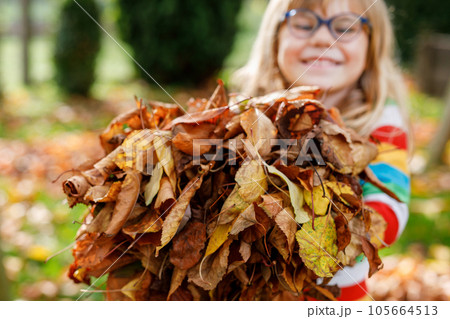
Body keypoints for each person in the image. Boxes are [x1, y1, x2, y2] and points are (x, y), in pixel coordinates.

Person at [232, 0, 410, 301]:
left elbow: (392, 208)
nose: (324, 39)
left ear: (372, 47)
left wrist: (328, 241)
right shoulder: (249, 113)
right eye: (303, 23)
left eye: (346, 27)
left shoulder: (382, 124)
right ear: (274, 38)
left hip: (334, 297)